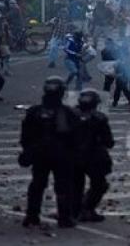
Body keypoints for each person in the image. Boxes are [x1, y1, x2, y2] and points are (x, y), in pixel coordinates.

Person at [19, 77, 79, 228]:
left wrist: (28, 151)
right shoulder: (67, 112)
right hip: (61, 156)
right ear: (61, 92)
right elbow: (75, 137)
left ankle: (32, 216)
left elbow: (25, 136)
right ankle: (64, 218)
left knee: (37, 185)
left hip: (40, 154)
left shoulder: (35, 111)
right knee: (63, 186)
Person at [72, 89, 114, 222]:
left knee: (75, 185)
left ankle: (75, 211)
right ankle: (86, 209)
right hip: (93, 157)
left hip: (73, 156)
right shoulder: (99, 118)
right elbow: (109, 141)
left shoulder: (70, 115)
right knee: (100, 184)